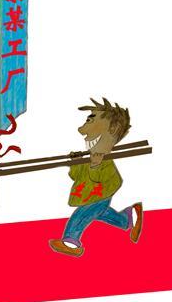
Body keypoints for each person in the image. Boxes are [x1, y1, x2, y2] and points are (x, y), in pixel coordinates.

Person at [49, 98, 143, 257]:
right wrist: (75, 163)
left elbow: (107, 180)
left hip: (101, 194)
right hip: (89, 194)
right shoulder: (91, 155)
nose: (84, 127)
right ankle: (127, 219)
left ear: (112, 129)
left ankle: (71, 241)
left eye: (90, 120)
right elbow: (76, 176)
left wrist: (95, 165)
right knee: (100, 213)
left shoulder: (104, 160)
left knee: (82, 214)